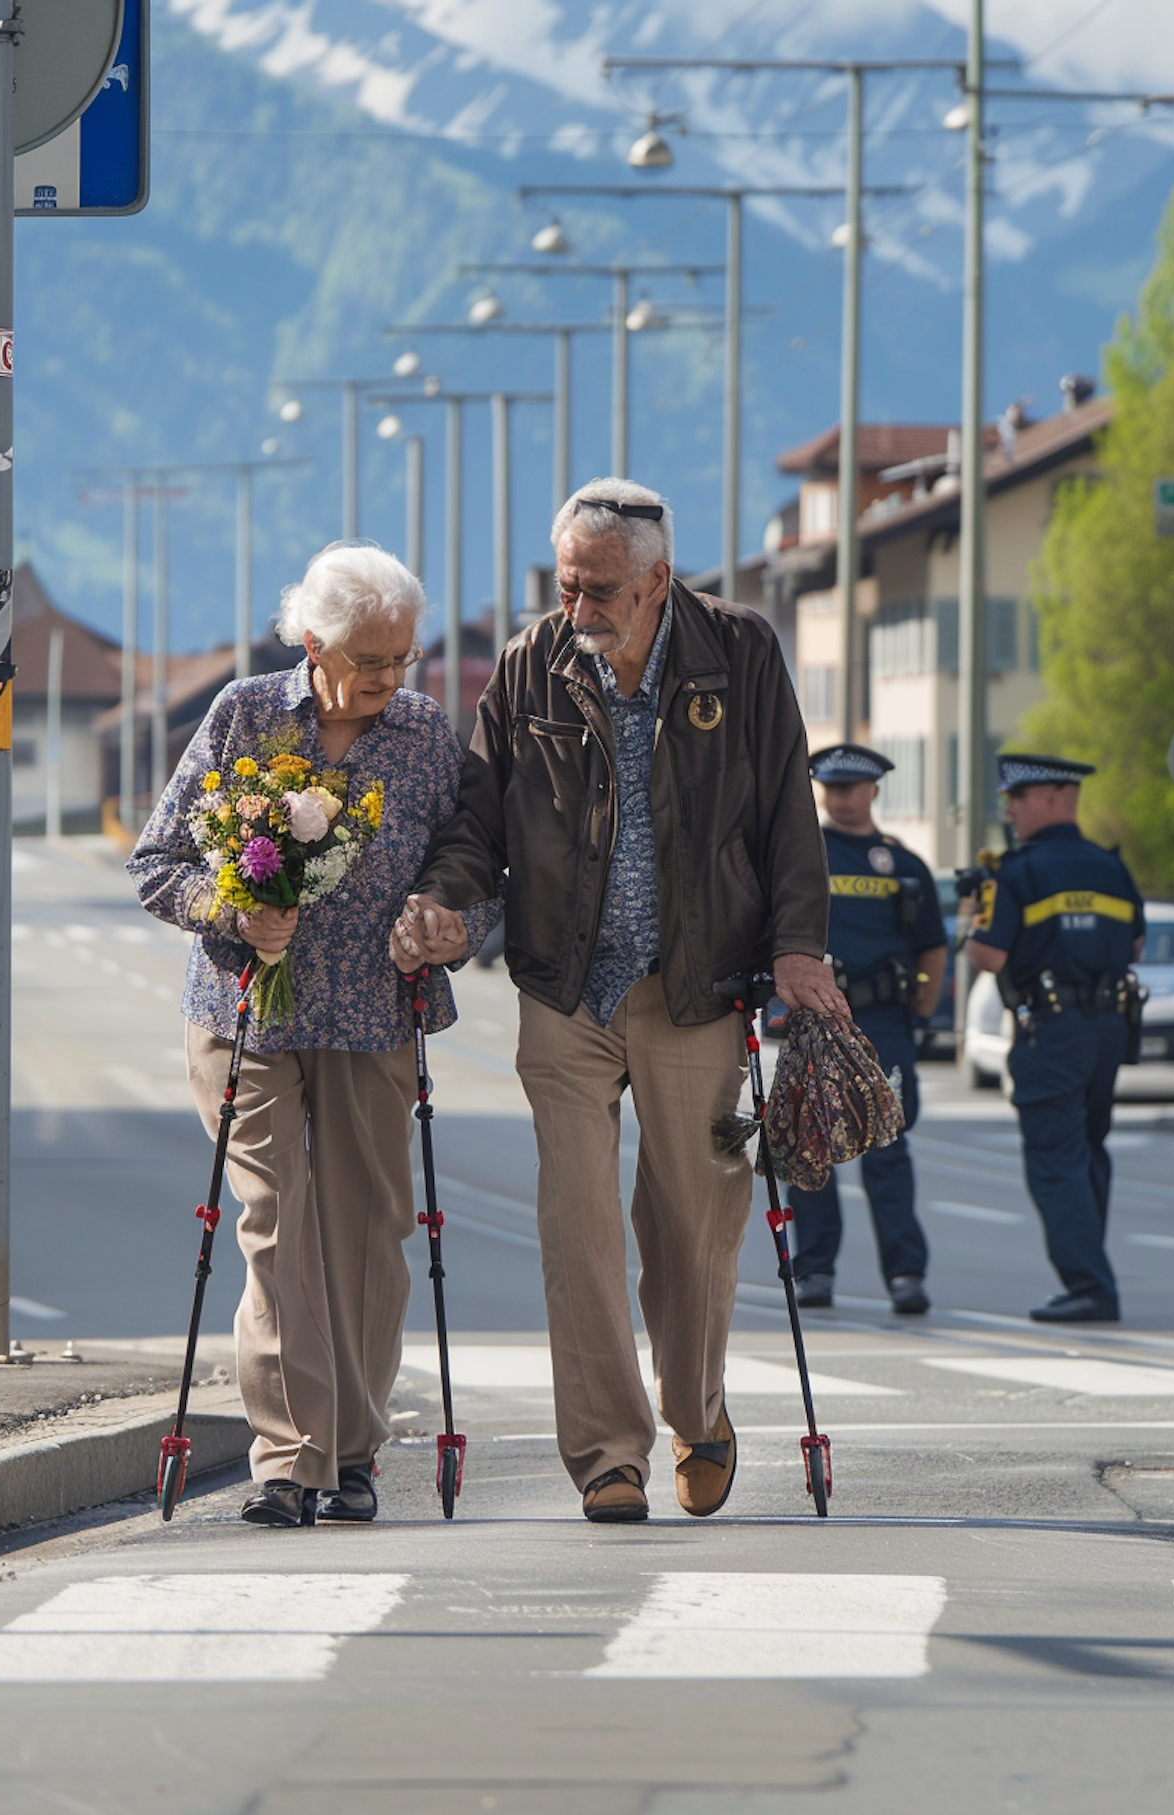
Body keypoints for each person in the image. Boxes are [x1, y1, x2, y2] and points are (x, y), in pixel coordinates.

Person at [391, 477, 839, 1523]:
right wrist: (449, 907)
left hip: (704, 986)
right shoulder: (530, 663)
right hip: (565, 987)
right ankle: (606, 1453)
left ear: (658, 582)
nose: (578, 607)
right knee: (578, 1224)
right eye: (567, 584)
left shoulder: (741, 649)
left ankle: (699, 1410)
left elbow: (786, 808)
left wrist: (800, 946)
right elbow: (477, 822)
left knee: (700, 1219)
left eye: (599, 590)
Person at [128, 542, 494, 1528]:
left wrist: (445, 914)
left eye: (401, 659)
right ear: (311, 643)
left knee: (369, 1235)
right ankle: (290, 1458)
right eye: (368, 659)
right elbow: (158, 859)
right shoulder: (243, 713)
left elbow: (474, 858)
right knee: (277, 1225)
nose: (386, 679)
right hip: (248, 1015)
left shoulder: (423, 735)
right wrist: (233, 914)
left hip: (377, 1012)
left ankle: (356, 1453)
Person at [965, 752, 1145, 1324]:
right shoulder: (1111, 868)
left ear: (1053, 798)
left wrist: (975, 912)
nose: (1010, 810)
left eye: (1017, 798)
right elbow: (1135, 946)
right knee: (1089, 1149)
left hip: (1051, 1029)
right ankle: (1091, 1271)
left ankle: (1090, 1285)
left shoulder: (1016, 872)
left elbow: (988, 955)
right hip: (1108, 1029)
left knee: (1054, 1157)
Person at [788, 745, 947, 1317]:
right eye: (832, 788)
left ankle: (906, 1273)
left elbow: (932, 943)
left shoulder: (903, 865)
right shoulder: (804, 856)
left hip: (883, 1023)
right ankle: (815, 1270)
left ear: (874, 792)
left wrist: (923, 1012)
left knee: (888, 1150)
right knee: (813, 1146)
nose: (842, 798)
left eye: (853, 788)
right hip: (816, 1023)